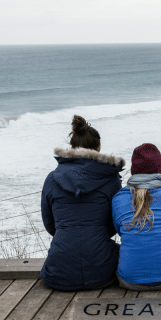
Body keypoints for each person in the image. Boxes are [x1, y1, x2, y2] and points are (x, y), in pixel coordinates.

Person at [40, 115, 123, 291]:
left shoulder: (52, 179)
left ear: (72, 149)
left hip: (58, 272)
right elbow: (115, 224)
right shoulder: (111, 179)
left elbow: (50, 225)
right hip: (102, 271)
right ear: (99, 148)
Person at [112, 143, 161, 290]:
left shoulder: (118, 198)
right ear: (159, 168)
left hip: (130, 281)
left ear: (134, 170)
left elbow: (121, 232)